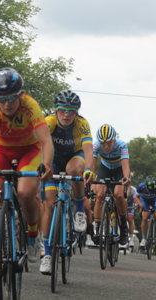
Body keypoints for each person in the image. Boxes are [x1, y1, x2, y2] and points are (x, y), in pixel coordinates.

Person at [0, 67, 54, 281]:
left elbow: (46, 141)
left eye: (12, 98)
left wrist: (46, 165)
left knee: (25, 192)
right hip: (0, 150)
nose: (6, 104)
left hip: (29, 151)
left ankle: (33, 235)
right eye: (1, 99)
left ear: (20, 94)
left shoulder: (30, 105)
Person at [39, 90, 94, 274]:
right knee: (49, 202)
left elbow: (88, 151)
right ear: (56, 110)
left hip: (74, 157)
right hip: (53, 159)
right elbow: (40, 147)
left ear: (76, 112)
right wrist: (43, 166)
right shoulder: (49, 122)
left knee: (74, 170)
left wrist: (89, 170)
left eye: (71, 111)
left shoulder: (82, 123)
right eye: (62, 110)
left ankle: (79, 211)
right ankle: (47, 254)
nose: (67, 115)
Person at [91, 124, 131, 245]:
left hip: (119, 170)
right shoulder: (96, 146)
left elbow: (125, 166)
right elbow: (92, 166)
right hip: (105, 169)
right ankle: (97, 228)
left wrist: (126, 178)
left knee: (119, 195)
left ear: (114, 139)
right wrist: (90, 179)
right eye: (103, 143)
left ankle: (124, 227)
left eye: (108, 142)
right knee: (99, 196)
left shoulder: (121, 145)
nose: (106, 146)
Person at [136, 176, 156, 247]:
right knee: (144, 218)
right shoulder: (141, 186)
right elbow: (136, 197)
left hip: (155, 200)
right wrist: (141, 205)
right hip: (145, 201)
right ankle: (144, 238)